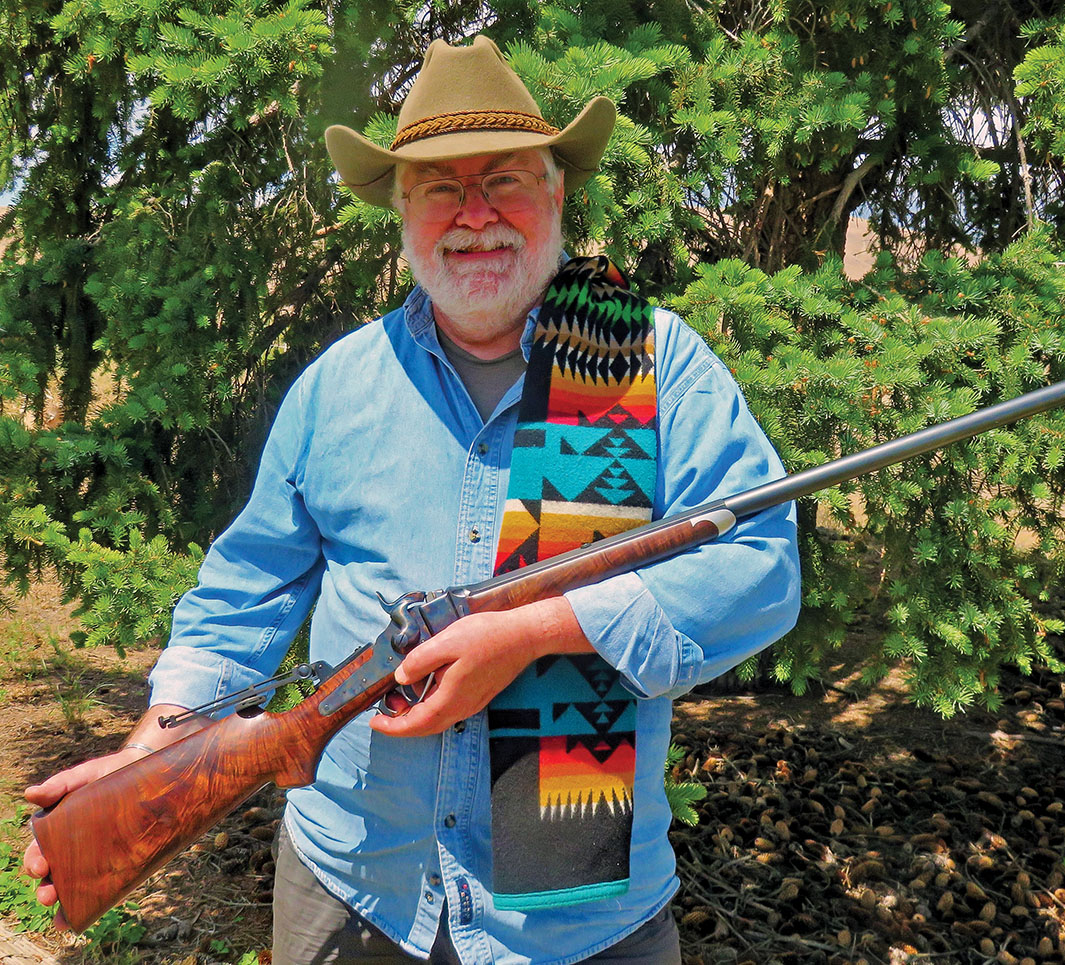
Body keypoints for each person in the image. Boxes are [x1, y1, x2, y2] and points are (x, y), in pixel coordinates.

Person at [24, 35, 800, 965]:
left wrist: (535, 630)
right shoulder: (336, 386)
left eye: (505, 180)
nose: (476, 215)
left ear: (556, 194)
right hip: (353, 887)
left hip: (577, 922)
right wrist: (152, 754)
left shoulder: (652, 364)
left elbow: (762, 567)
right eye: (440, 186)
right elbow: (245, 594)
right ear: (402, 210)